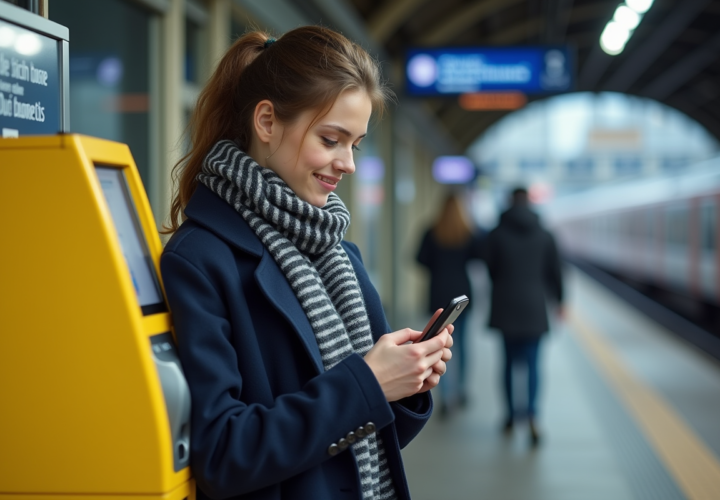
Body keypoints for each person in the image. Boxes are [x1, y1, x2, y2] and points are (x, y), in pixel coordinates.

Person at [159, 26, 454, 500]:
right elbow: (222, 454)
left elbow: (365, 444)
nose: (348, 164)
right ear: (267, 121)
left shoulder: (340, 254)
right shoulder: (200, 261)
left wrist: (407, 382)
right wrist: (369, 383)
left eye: (354, 145)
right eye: (331, 139)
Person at [484, 187, 563, 446]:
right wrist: (561, 301)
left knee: (507, 363)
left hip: (505, 304)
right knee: (533, 365)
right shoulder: (544, 234)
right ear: (529, 202)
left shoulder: (497, 233)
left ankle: (509, 415)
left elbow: (490, 268)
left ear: (509, 201)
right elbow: (555, 271)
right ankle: (532, 415)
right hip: (534, 307)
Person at [416, 193, 483, 415]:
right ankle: (461, 390)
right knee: (462, 344)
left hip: (438, 294)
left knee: (439, 345)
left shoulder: (432, 231)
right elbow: (479, 256)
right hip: (462, 294)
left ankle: (445, 396)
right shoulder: (468, 231)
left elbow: (419, 259)